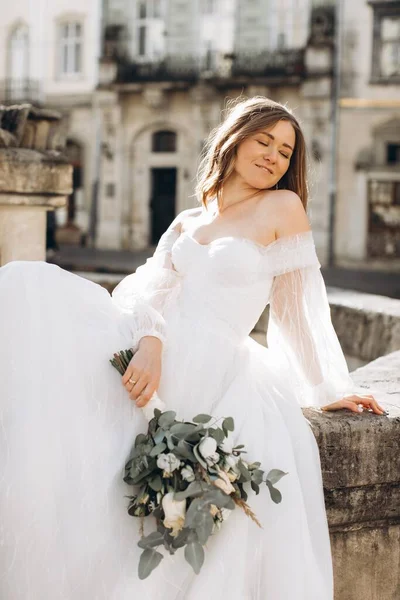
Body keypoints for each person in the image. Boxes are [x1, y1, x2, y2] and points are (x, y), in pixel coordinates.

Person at [0, 97, 385, 600]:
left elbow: (298, 311)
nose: (273, 156)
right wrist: (151, 341)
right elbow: (145, 292)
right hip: (150, 350)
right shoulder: (187, 220)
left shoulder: (282, 208)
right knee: (26, 288)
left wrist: (330, 386)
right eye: (264, 140)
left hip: (215, 367)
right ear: (235, 139)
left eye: (286, 151)